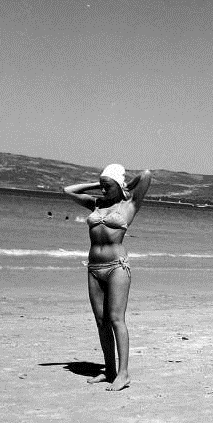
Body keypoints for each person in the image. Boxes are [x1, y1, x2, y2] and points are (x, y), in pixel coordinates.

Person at [64, 164, 152, 391]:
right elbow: (68, 191)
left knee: (116, 319)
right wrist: (99, 182)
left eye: (107, 186)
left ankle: (123, 374)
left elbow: (146, 175)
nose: (102, 190)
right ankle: (109, 370)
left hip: (117, 267)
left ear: (118, 185)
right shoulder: (97, 203)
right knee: (101, 321)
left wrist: (124, 184)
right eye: (101, 186)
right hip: (94, 267)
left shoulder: (129, 205)